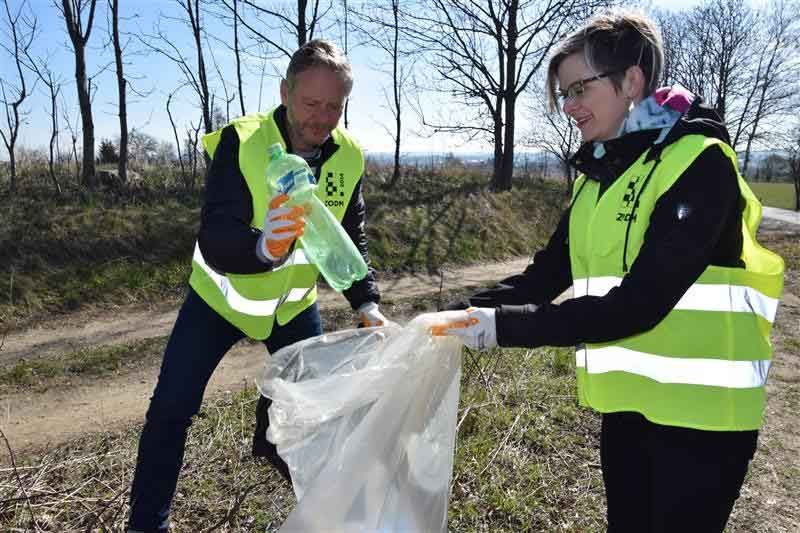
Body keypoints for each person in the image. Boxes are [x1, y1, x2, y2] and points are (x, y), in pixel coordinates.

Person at [428, 9, 784, 533]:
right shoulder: (597, 176)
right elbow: (544, 277)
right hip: (629, 412)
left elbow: (638, 304)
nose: (569, 107)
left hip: (705, 423)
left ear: (631, 82)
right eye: (563, 95)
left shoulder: (699, 164)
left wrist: (501, 329)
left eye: (579, 90)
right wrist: (457, 314)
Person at [126, 39, 390, 533]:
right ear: (285, 92)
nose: (322, 118)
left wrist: (366, 300)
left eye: (335, 106)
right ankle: (146, 524)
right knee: (170, 412)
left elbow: (348, 236)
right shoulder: (242, 142)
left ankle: (294, 476)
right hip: (217, 303)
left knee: (308, 417)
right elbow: (216, 232)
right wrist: (263, 248)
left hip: (291, 310)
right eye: (311, 103)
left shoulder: (349, 156)